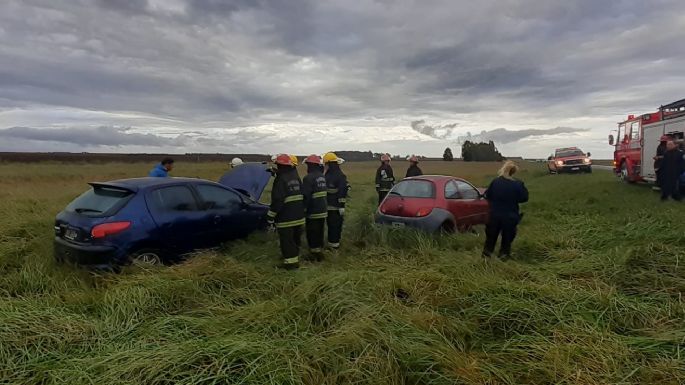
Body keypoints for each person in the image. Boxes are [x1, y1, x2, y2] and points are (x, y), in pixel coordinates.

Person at [482, 161, 529, 260]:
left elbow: (487, 195)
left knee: (490, 240)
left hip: (494, 215)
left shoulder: (495, 182)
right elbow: (524, 198)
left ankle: (485, 259)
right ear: (513, 172)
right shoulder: (518, 184)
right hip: (510, 216)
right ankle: (503, 258)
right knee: (506, 241)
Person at [267, 154, 306, 270]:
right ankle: (294, 258)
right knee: (295, 240)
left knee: (287, 241)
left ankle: (290, 265)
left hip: (286, 218)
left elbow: (278, 200)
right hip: (299, 215)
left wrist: (270, 216)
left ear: (279, 165)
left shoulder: (280, 179)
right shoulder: (295, 177)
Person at [301, 155, 328, 261]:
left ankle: (314, 255)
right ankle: (319, 251)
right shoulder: (322, 176)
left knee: (312, 232)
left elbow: (306, 196)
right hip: (323, 209)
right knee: (320, 231)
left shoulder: (308, 178)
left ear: (310, 165)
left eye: (307, 165)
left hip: (313, 211)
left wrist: (303, 209)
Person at [323, 152, 348, 250]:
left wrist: (341, 206)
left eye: (326, 164)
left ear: (329, 164)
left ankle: (334, 246)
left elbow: (342, 192)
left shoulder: (339, 176)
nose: (325, 166)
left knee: (335, 226)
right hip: (329, 206)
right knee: (332, 226)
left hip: (335, 207)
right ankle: (331, 244)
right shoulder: (328, 175)